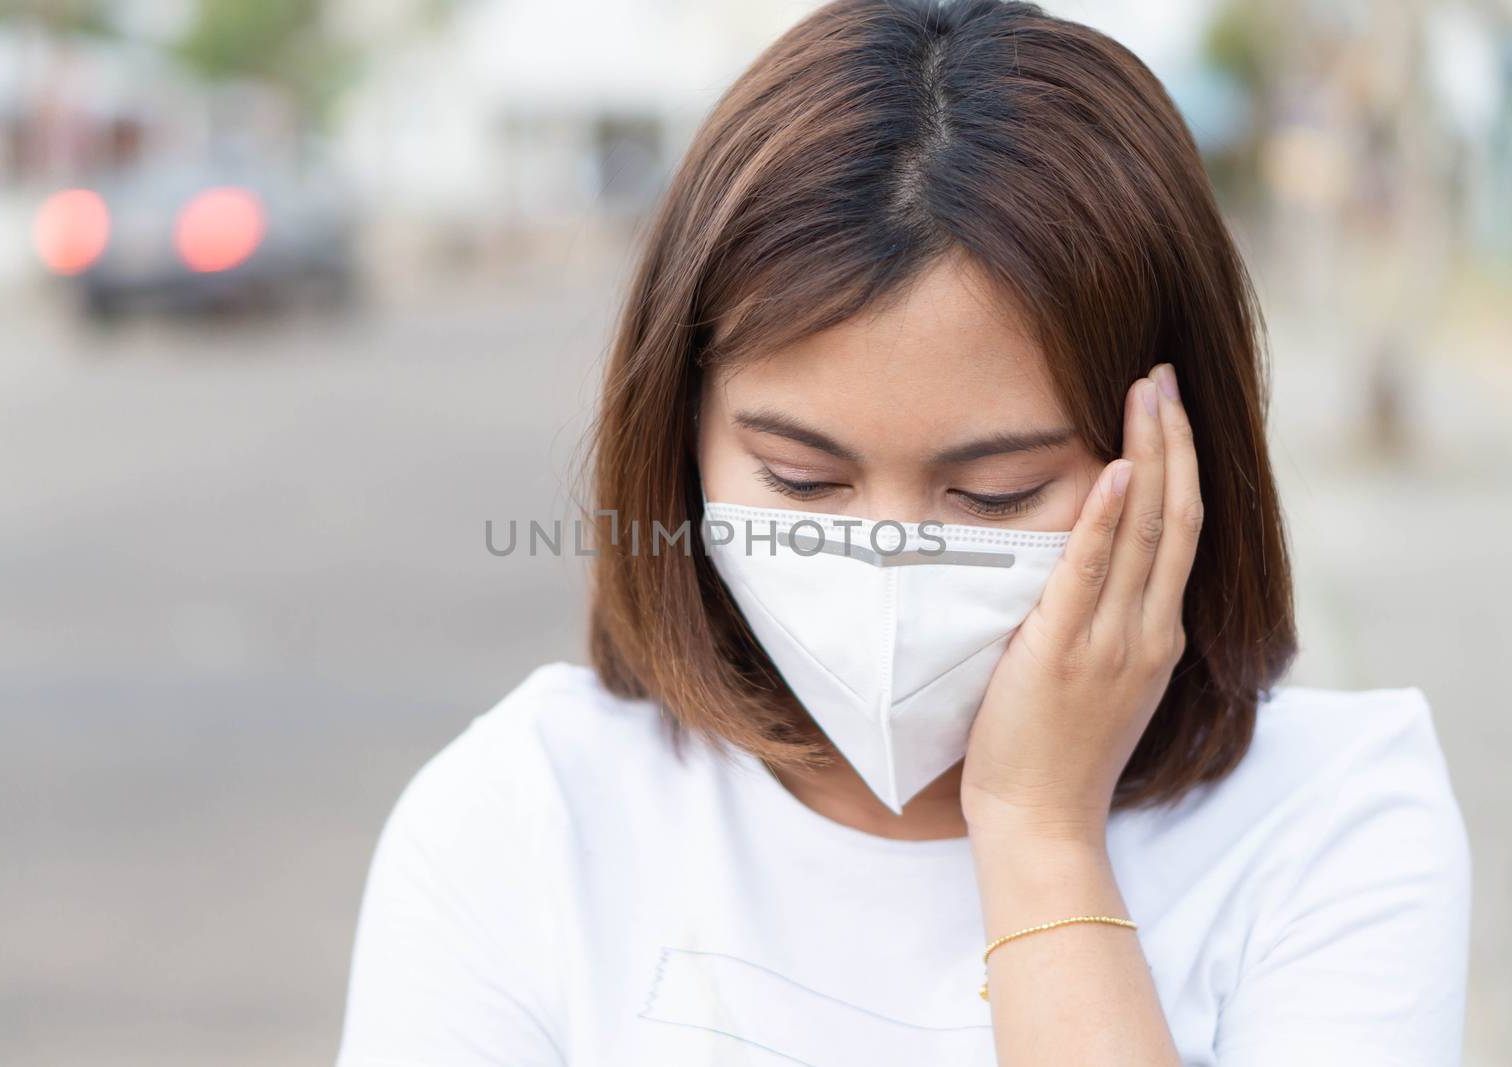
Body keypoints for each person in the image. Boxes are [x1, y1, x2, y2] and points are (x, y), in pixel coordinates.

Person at [334, 1, 1471, 1064]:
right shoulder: (525, 814)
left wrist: (1039, 835)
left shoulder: (1330, 822)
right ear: (681, 441)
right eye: (799, 477)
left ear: (1175, 457)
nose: (885, 561)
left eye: (994, 493)